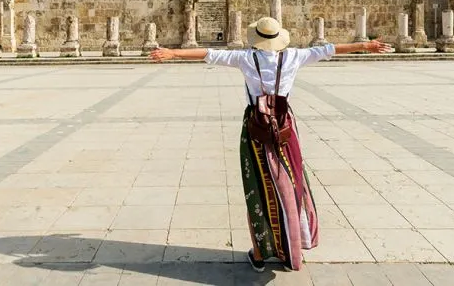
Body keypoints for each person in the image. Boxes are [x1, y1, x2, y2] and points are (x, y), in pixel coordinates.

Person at [150, 16, 391, 272]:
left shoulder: (244, 58)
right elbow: (329, 49)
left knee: (259, 185)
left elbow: (209, 54)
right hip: (285, 128)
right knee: (292, 183)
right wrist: (365, 45)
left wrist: (172, 52)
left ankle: (261, 252)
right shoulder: (295, 56)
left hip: (257, 128)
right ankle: (291, 251)